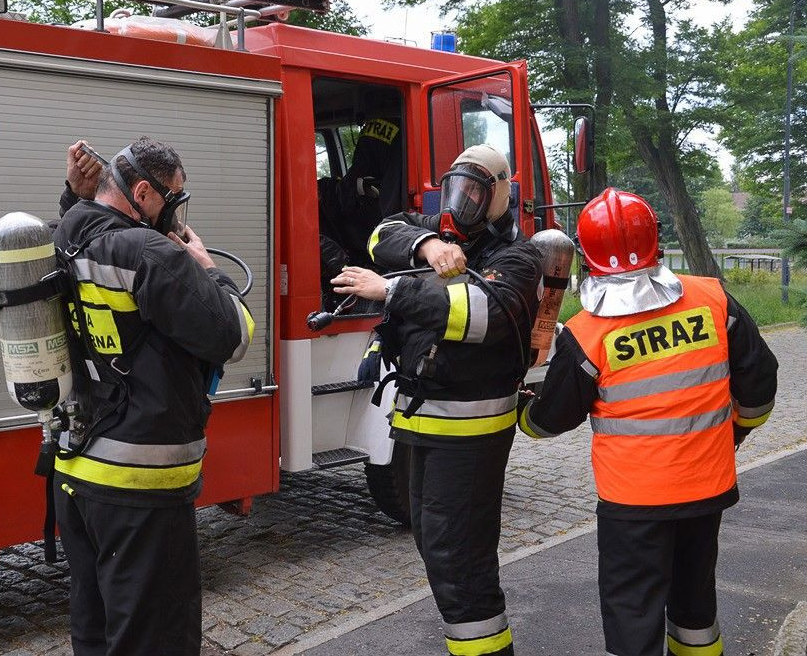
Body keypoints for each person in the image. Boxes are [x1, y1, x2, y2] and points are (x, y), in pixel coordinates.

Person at [518, 188, 778, 656]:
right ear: (656, 240)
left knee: (633, 613)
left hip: (633, 501)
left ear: (588, 255)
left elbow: (549, 422)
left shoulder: (588, 333)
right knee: (695, 606)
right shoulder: (714, 300)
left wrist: (525, 412)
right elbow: (760, 385)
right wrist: (733, 433)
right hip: (706, 488)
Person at [333, 144, 543, 656]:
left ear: (499, 196)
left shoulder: (518, 258)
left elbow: (477, 316)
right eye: (456, 187)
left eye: (475, 191)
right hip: (423, 425)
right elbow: (382, 233)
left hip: (470, 437)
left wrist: (391, 292)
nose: (462, 200)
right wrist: (428, 245)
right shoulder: (439, 232)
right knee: (434, 544)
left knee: (460, 561)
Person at [51, 136, 255, 656]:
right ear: (143, 192)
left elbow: (82, 223)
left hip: (77, 474)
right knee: (154, 639)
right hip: (140, 486)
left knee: (96, 630)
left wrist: (74, 195)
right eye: (172, 198)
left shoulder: (70, 231)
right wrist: (207, 267)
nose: (177, 212)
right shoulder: (153, 254)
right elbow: (232, 335)